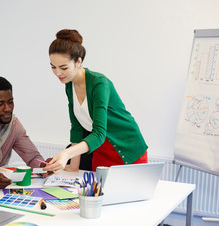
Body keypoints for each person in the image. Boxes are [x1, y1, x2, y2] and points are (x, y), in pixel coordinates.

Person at [44, 29, 148, 174]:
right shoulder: (69, 85)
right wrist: (74, 166)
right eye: (53, 67)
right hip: (101, 150)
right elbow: (77, 128)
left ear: (78, 61)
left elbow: (99, 133)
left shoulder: (99, 83)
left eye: (63, 67)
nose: (58, 73)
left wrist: (67, 154)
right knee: (99, 193)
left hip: (128, 150)